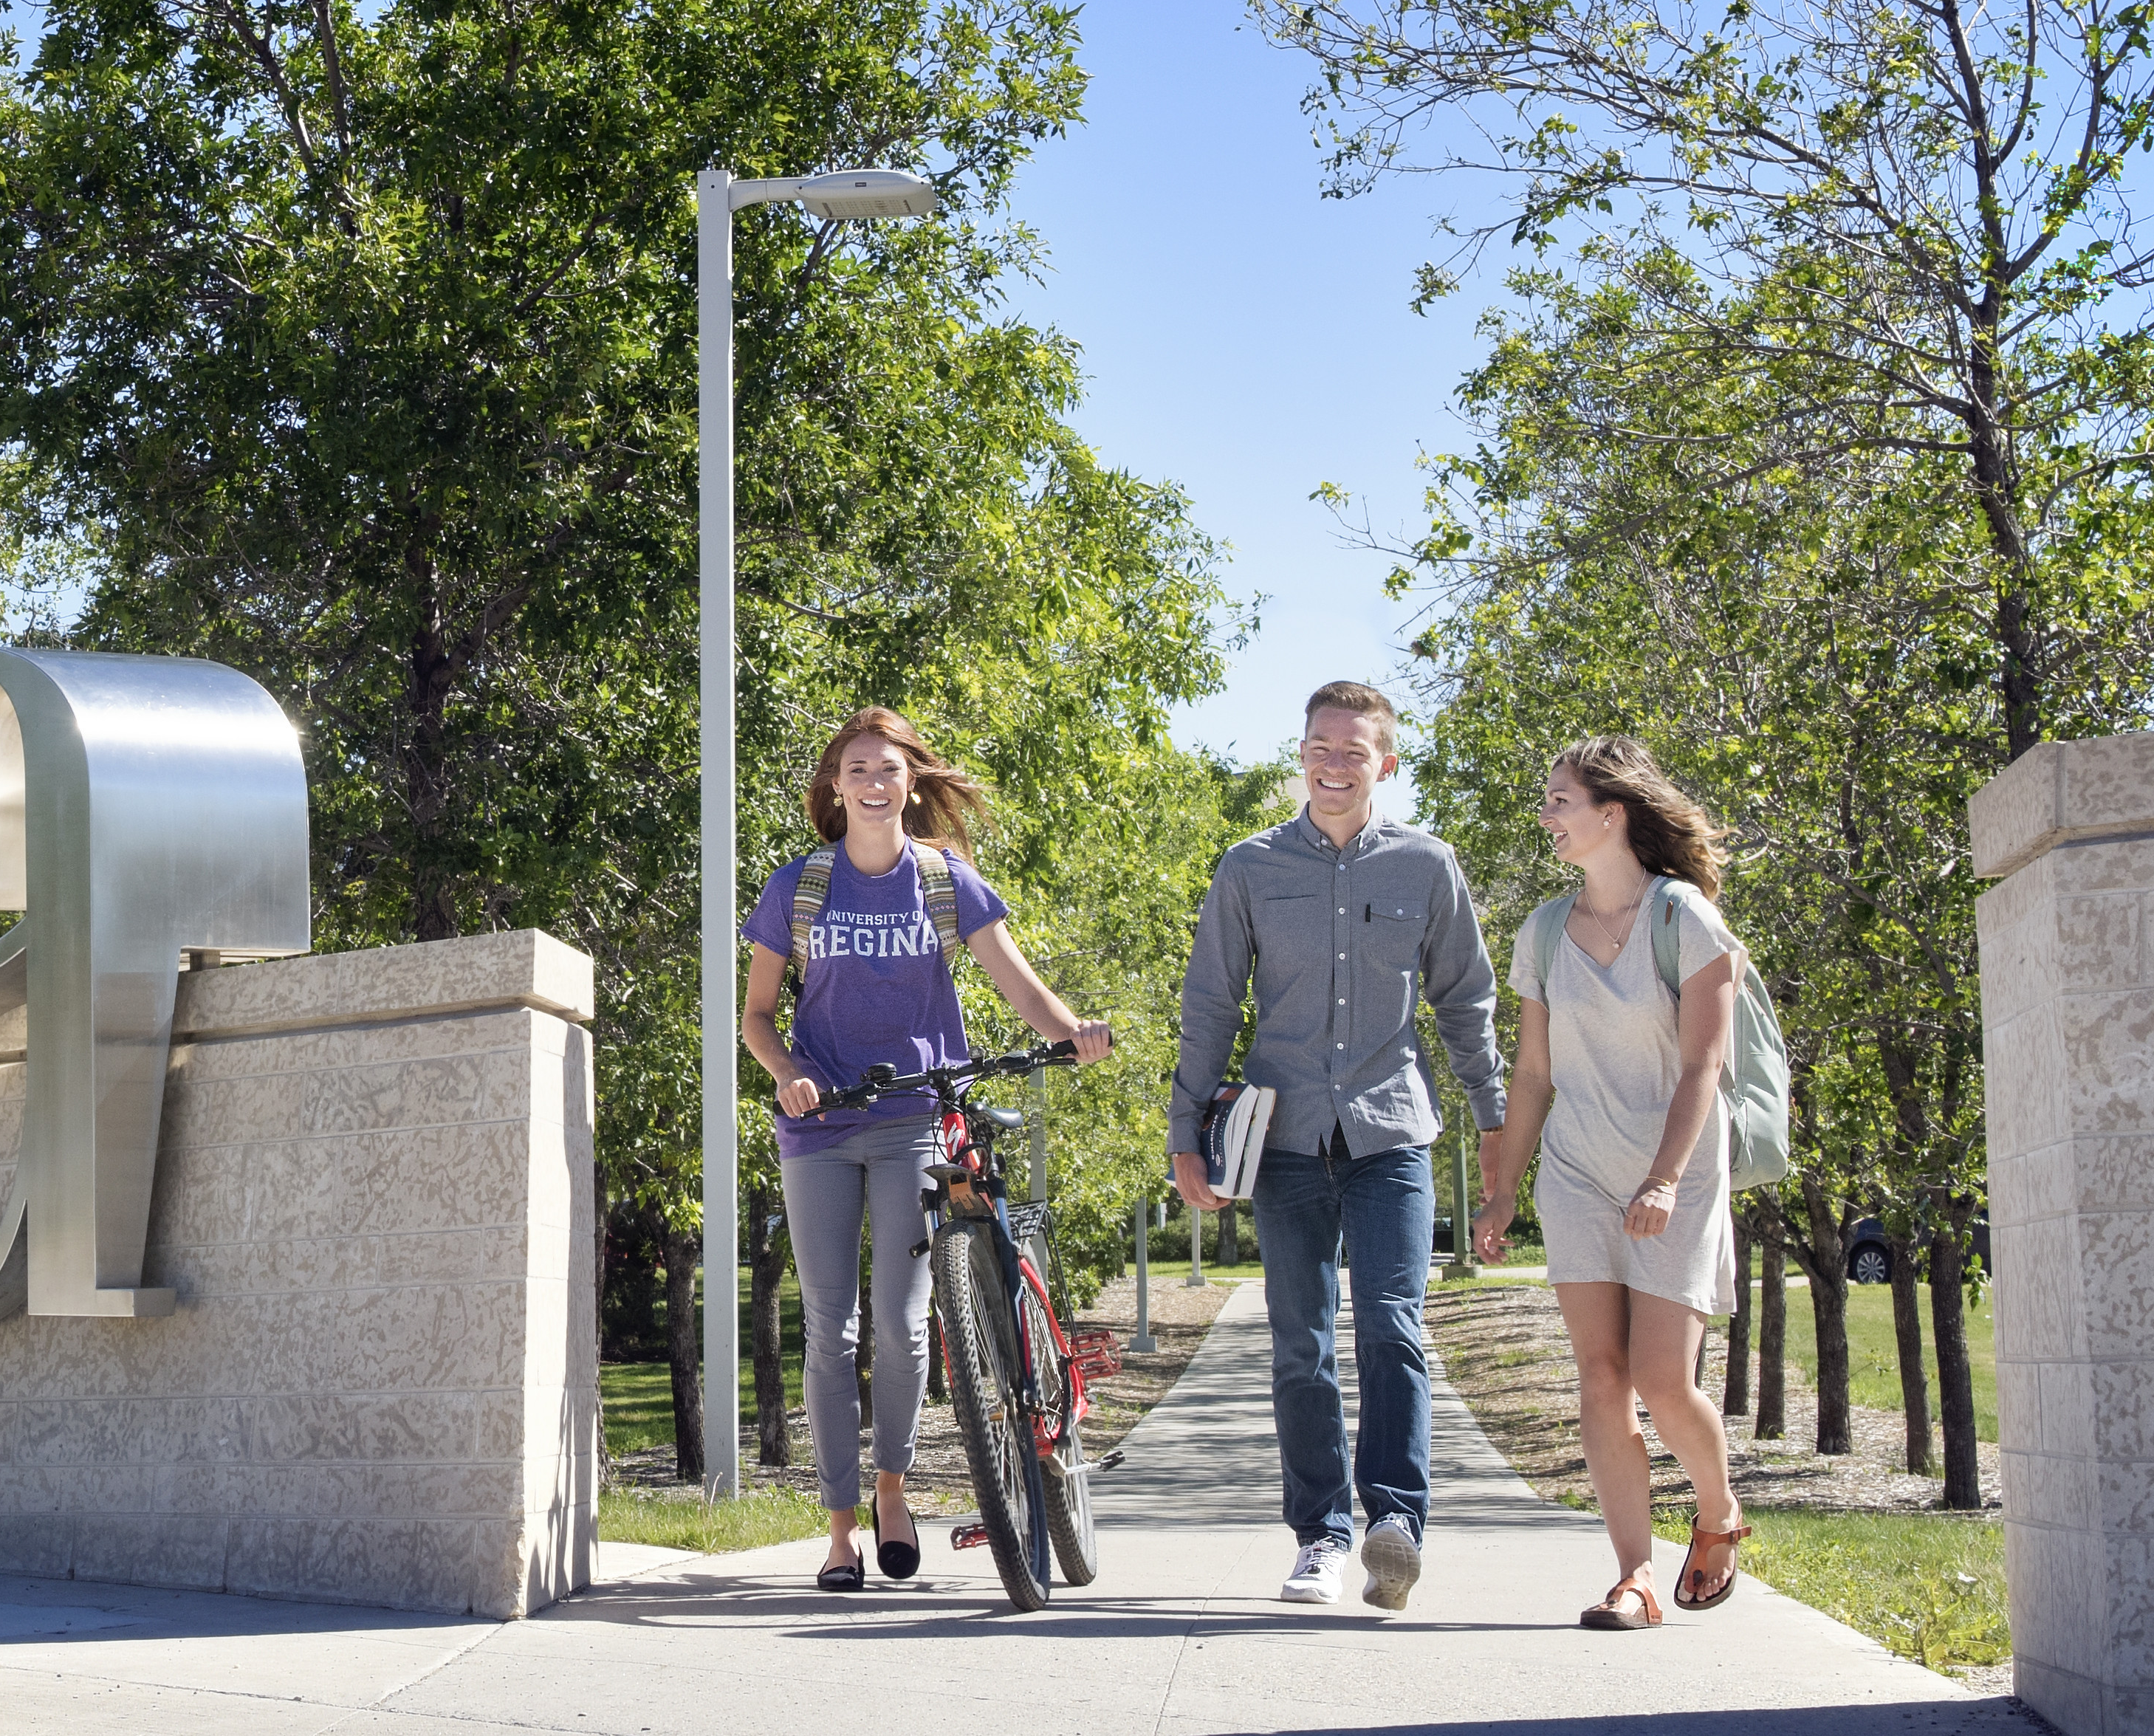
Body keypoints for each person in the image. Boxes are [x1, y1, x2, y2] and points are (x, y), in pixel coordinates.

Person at [743, 707, 1116, 1593]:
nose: (873, 782)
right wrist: (788, 1072)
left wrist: (1076, 1031)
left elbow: (1020, 985)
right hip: (821, 1124)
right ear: (836, 787)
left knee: (905, 1327)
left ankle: (893, 1491)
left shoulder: (946, 882)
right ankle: (839, 1532)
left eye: (888, 768)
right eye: (857, 769)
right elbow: (755, 1017)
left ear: (912, 780)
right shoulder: (798, 886)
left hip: (916, 1117)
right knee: (830, 1332)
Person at [1168, 680, 1500, 1611]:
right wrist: (1184, 1133)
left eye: (1355, 750)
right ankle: (1320, 1534)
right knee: (1300, 1343)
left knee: (1393, 1323)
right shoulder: (1248, 866)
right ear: (1301, 754)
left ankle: (1396, 1523)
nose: (1334, 763)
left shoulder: (1427, 866)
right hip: (1282, 1137)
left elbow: (1466, 1004)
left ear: (1385, 763)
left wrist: (1495, 1123)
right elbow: (1208, 1004)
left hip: (1391, 1132)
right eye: (1320, 745)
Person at [1471, 735, 1757, 1630]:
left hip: (1674, 1169)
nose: (1548, 814)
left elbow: (1704, 1067)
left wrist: (1666, 1179)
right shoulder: (1546, 929)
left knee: (1661, 1379)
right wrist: (1502, 1190)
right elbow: (1531, 1074)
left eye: (1561, 800)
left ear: (1612, 813)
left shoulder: (1684, 919)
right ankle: (1633, 1576)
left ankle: (1717, 1514)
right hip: (1579, 1173)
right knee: (1600, 1375)